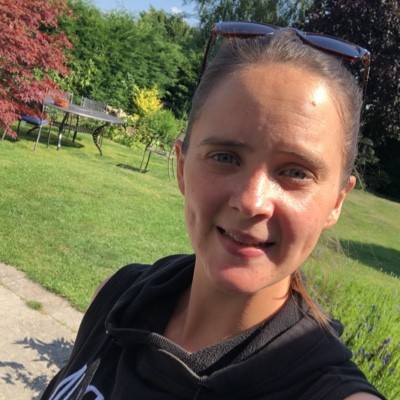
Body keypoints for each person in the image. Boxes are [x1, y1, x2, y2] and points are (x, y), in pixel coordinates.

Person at [41, 22, 385, 400]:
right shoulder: (116, 297)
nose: (251, 201)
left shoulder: (326, 391)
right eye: (225, 157)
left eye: (296, 172)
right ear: (181, 167)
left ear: (337, 201)